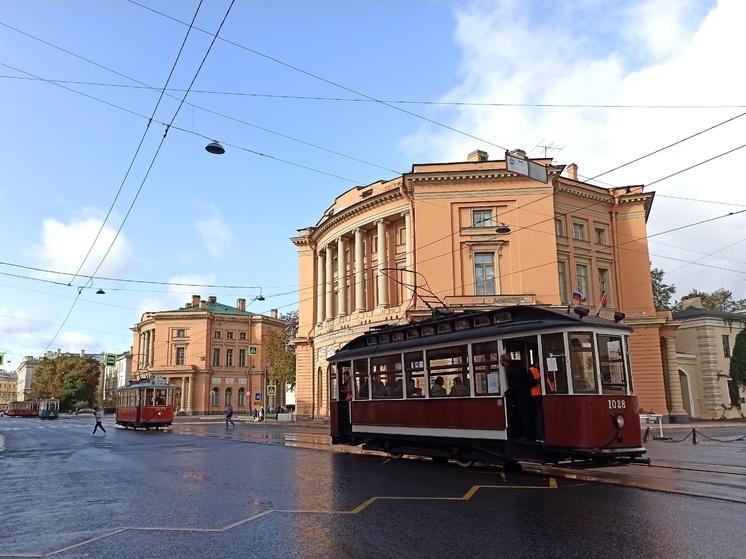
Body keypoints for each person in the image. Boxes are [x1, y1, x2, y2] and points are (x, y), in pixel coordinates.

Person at [501, 354, 534, 441]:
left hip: (520, 395)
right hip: (526, 393)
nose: (500, 362)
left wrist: (506, 393)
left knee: (523, 415)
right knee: (527, 414)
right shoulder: (518, 365)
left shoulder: (511, 370)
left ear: (504, 361)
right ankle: (530, 434)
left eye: (501, 360)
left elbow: (515, 385)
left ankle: (526, 435)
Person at [529, 363, 553, 441]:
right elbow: (530, 383)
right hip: (536, 395)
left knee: (540, 416)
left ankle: (540, 436)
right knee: (540, 416)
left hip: (543, 394)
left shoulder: (542, 369)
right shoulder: (532, 370)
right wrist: (539, 379)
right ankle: (540, 436)